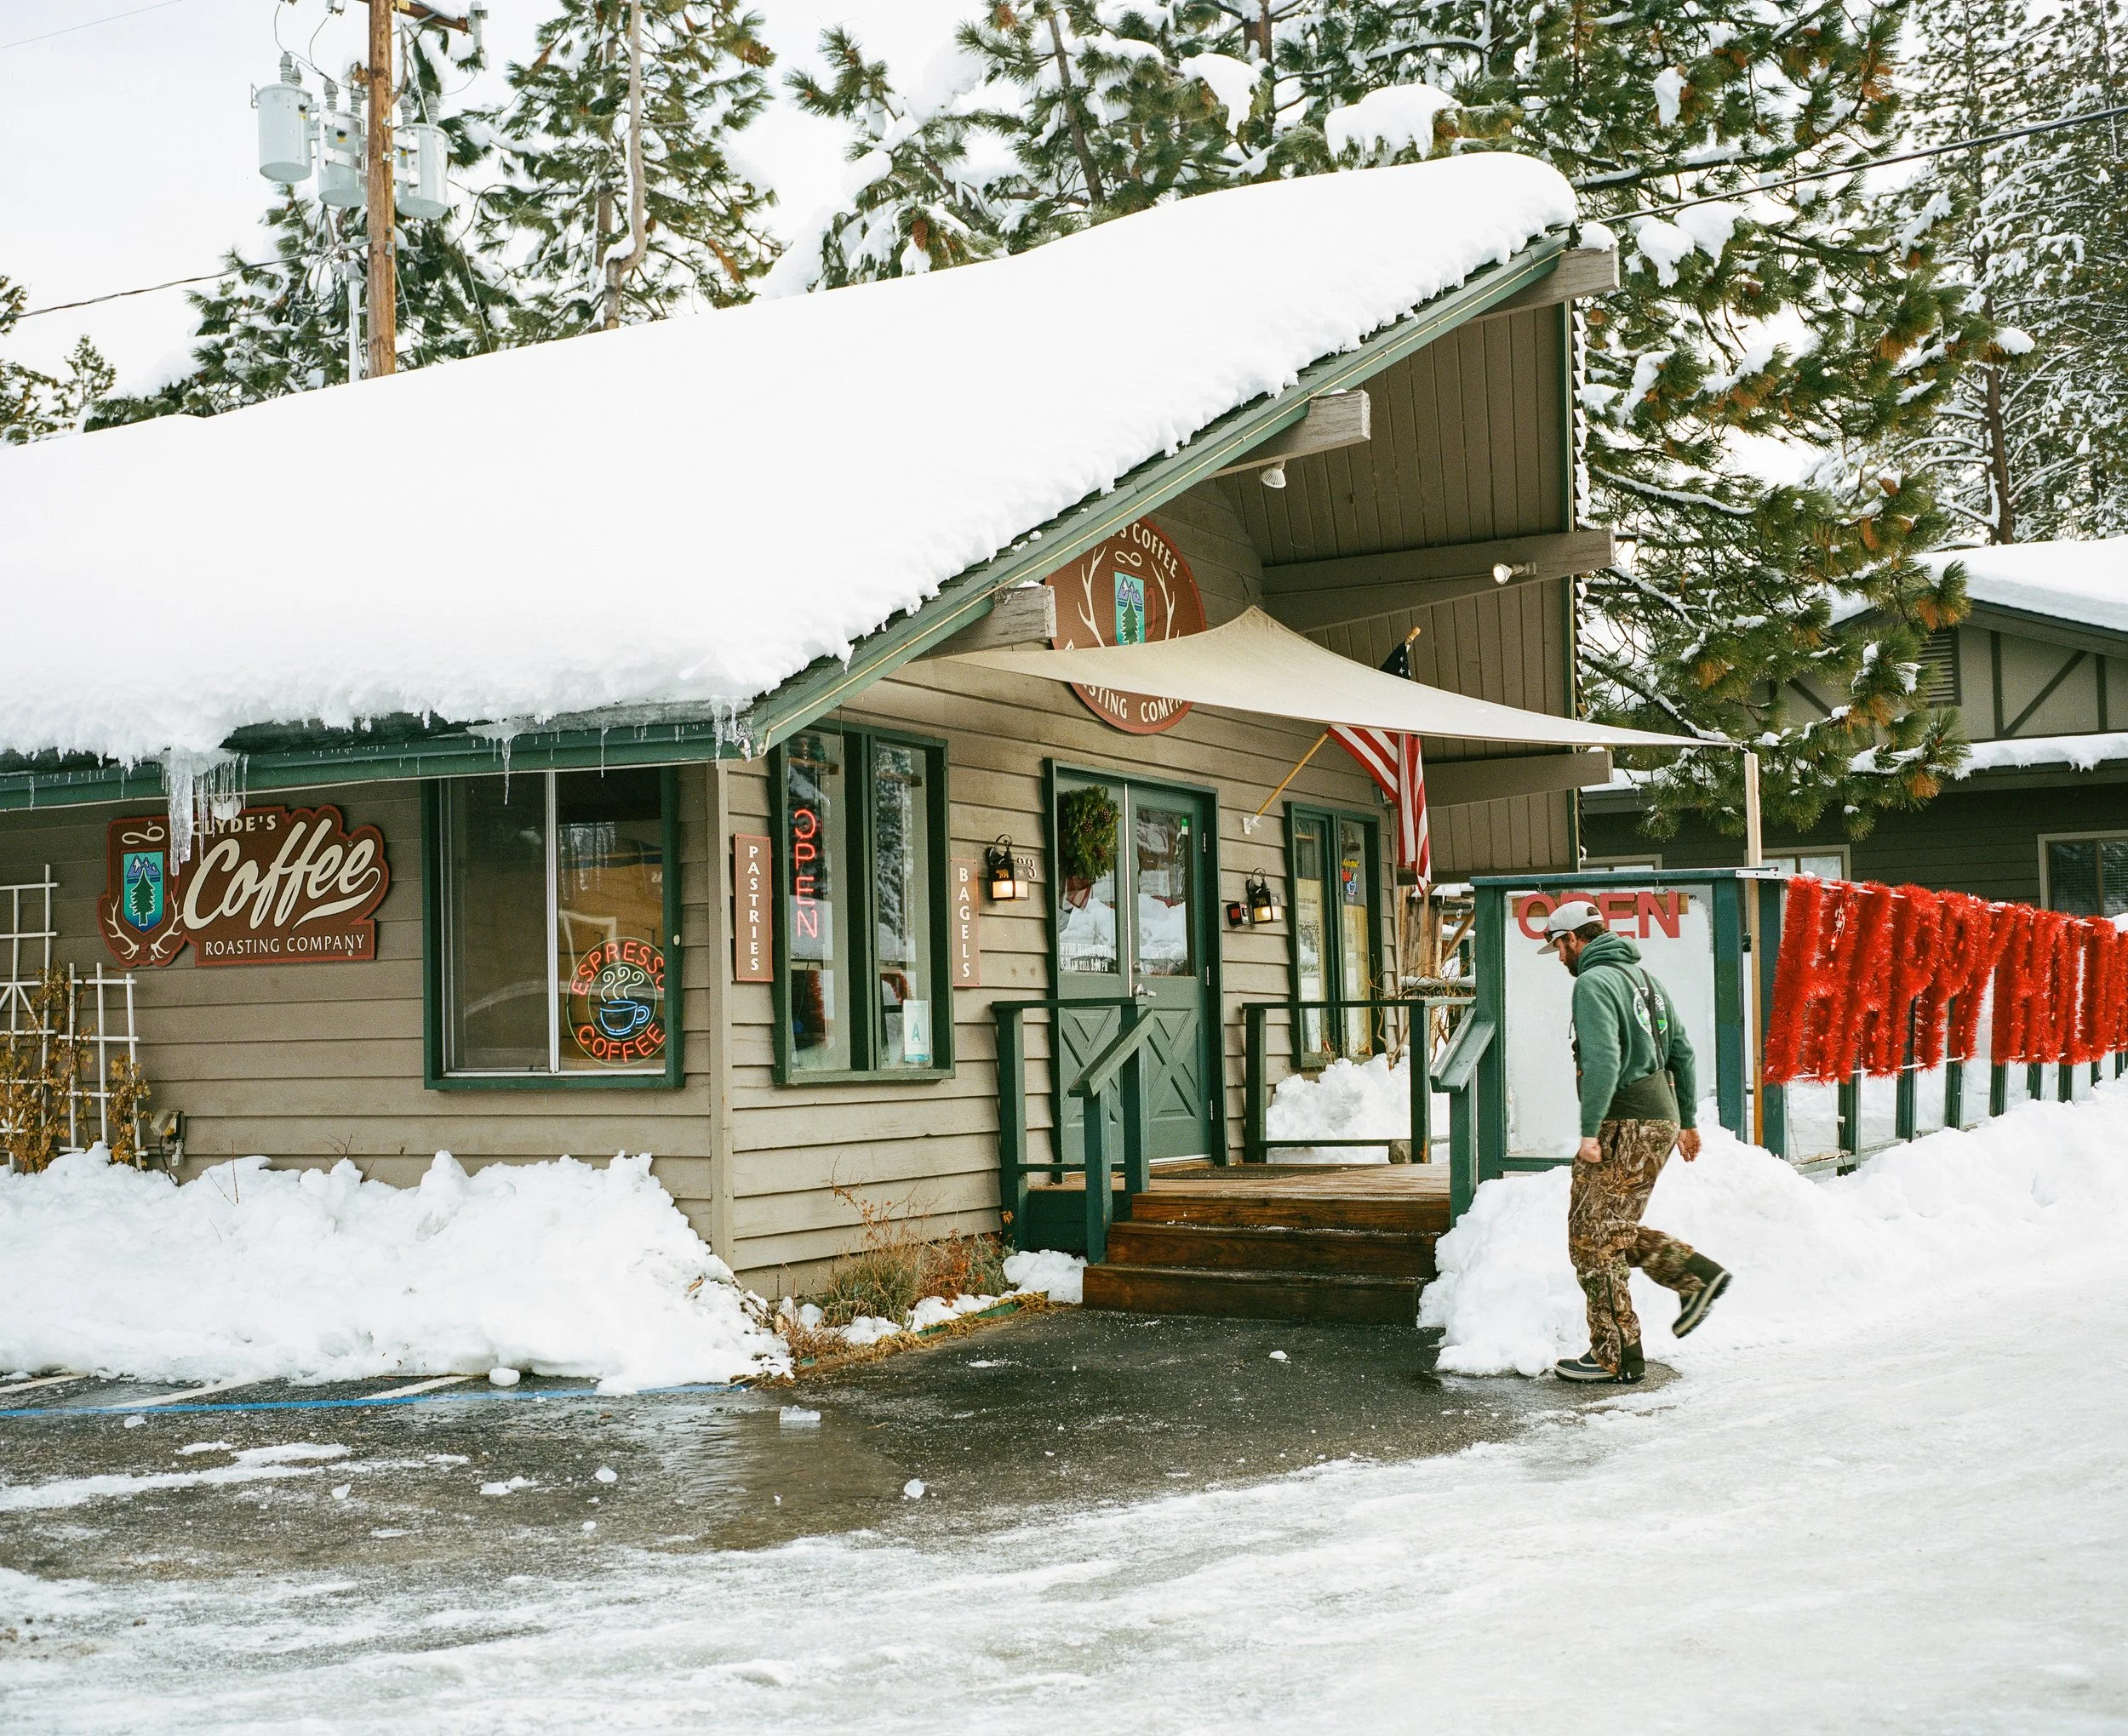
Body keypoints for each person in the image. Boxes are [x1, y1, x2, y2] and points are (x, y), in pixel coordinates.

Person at [1539, 900, 1732, 1384]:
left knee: (1594, 1238)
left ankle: (1615, 1355)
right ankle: (1693, 1275)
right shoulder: (1646, 980)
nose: (1559, 957)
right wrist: (1685, 1120)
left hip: (1624, 1121)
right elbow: (1682, 1052)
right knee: (1605, 1229)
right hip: (1656, 1118)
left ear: (1573, 939)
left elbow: (1604, 1058)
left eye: (1558, 947)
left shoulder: (1593, 982)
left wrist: (1590, 1128)